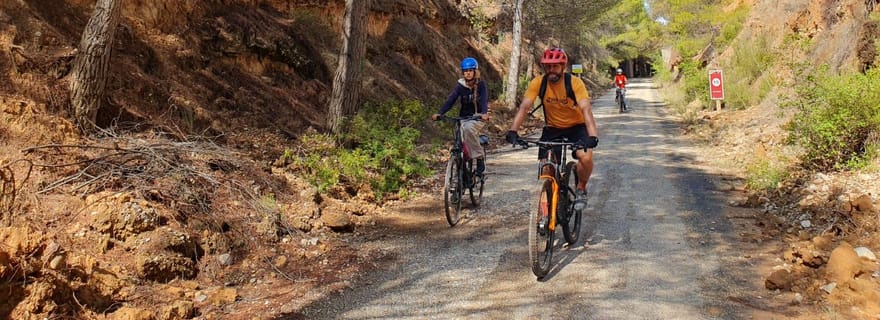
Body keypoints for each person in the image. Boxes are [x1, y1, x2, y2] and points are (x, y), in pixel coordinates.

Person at [505, 48, 598, 210]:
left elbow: (586, 109)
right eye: (547, 67)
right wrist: (513, 131)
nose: (551, 70)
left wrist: (592, 136)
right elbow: (524, 107)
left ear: (563, 66)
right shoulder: (538, 83)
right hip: (552, 128)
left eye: (555, 66)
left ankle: (581, 187)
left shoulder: (575, 83)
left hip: (577, 127)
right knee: (546, 167)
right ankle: (545, 212)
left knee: (586, 157)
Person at [432, 57, 489, 178]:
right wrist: (440, 113)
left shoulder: (481, 85)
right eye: (465, 71)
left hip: (477, 117)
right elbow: (451, 100)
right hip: (463, 117)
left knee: (468, 129)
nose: (467, 73)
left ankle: (479, 158)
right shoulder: (460, 86)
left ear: (475, 71)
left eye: (470, 70)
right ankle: (463, 172)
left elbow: (484, 100)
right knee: (459, 142)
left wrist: (484, 113)